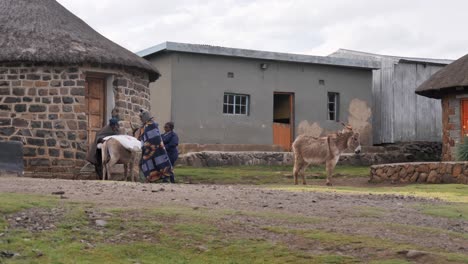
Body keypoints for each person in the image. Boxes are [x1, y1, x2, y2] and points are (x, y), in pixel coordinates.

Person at [137, 109, 173, 183]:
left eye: (141, 118)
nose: (140, 119)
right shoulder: (144, 126)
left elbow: (155, 137)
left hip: (157, 149)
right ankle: (150, 178)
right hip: (148, 149)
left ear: (145, 117)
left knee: (161, 163)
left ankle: (165, 178)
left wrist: (149, 145)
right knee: (146, 164)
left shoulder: (152, 125)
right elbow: (143, 137)